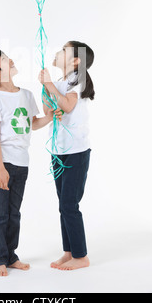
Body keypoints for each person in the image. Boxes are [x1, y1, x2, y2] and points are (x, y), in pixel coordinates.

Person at [0, 48, 63, 276]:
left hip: (22, 164)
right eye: (4, 59)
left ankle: (11, 255)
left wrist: (51, 116)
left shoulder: (26, 95)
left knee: (14, 214)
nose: (10, 59)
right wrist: (0, 168)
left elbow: (32, 123)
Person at [38, 40, 95, 271]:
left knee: (69, 204)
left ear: (75, 60)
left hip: (76, 152)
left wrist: (50, 85)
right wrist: (45, 89)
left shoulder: (77, 79)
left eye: (64, 50)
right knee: (63, 204)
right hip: (59, 150)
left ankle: (81, 256)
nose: (58, 52)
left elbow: (69, 106)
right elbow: (49, 111)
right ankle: (69, 251)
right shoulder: (61, 82)